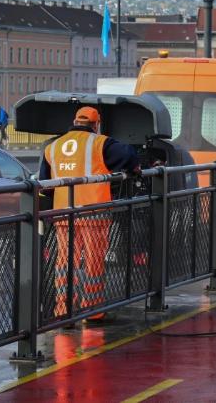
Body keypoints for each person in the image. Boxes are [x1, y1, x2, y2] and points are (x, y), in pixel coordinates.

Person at [39, 106, 139, 320]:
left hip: (64, 214)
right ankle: (91, 309)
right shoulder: (100, 143)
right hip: (94, 212)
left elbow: (46, 185)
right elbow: (129, 156)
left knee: (65, 261)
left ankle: (63, 309)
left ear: (74, 122)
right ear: (96, 124)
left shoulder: (53, 147)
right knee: (93, 260)